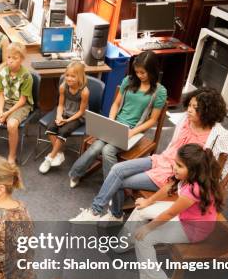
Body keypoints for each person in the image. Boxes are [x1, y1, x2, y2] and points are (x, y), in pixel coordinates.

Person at [70, 87, 228, 223]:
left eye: (195, 108)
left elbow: (227, 165)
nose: (189, 110)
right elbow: (172, 147)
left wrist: (198, 186)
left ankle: (110, 214)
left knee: (118, 181)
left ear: (208, 112)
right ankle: (100, 212)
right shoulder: (186, 119)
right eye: (190, 105)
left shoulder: (217, 136)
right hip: (161, 160)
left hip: (173, 176)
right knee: (117, 170)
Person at [116, 144, 225, 279]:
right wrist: (149, 202)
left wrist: (148, 228)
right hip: (184, 215)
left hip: (192, 229)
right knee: (141, 210)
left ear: (193, 170)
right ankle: (124, 242)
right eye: (176, 162)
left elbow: (170, 213)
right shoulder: (185, 177)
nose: (175, 167)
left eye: (179, 165)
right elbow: (169, 186)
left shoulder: (194, 189)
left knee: (143, 239)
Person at [67, 51, 167, 188]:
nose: (139, 76)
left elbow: (152, 120)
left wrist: (132, 132)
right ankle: (75, 173)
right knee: (96, 147)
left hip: (134, 131)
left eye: (143, 73)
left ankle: (110, 187)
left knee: (107, 151)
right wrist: (111, 120)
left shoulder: (159, 91)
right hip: (116, 124)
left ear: (153, 70)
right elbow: (116, 104)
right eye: (137, 72)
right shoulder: (128, 81)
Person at [0, 42, 34, 165]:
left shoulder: (26, 76)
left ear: (21, 60)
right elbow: (0, 94)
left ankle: (12, 155)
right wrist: (0, 111)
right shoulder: (2, 73)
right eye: (9, 57)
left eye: (14, 58)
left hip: (21, 105)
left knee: (11, 125)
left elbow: (23, 100)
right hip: (4, 102)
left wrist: (7, 113)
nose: (10, 61)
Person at [39, 61, 89, 172]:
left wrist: (66, 121)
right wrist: (59, 116)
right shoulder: (63, 87)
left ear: (80, 77)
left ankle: (50, 157)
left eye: (73, 76)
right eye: (67, 75)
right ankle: (59, 153)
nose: (69, 79)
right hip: (65, 114)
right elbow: (60, 105)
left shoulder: (84, 92)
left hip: (78, 117)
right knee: (51, 128)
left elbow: (81, 112)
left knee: (63, 132)